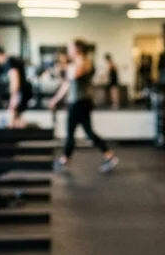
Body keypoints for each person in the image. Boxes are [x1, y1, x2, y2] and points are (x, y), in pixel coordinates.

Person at [48, 39, 118, 172]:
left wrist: (63, 67)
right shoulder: (75, 63)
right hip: (79, 102)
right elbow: (67, 84)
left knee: (71, 132)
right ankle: (109, 155)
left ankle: (65, 159)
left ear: (77, 49)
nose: (68, 51)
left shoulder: (84, 61)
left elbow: (73, 76)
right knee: (88, 132)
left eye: (70, 48)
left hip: (80, 102)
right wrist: (55, 99)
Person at [0, 47, 29, 129]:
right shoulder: (13, 60)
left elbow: (14, 78)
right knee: (17, 116)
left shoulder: (9, 62)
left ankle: (10, 134)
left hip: (18, 91)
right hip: (23, 90)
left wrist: (13, 95)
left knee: (12, 113)